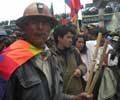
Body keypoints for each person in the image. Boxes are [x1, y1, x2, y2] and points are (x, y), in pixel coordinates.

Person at [0, 2, 92, 100]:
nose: (40, 27)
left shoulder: (51, 58)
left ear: (50, 29)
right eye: (34, 22)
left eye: (45, 23)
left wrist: (74, 98)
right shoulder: (7, 61)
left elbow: (56, 96)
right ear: (24, 27)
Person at [53, 25, 87, 95]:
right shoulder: (51, 55)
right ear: (59, 38)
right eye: (68, 37)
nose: (71, 40)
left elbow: (83, 66)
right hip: (61, 95)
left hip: (77, 94)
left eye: (71, 37)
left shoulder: (74, 51)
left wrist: (80, 70)